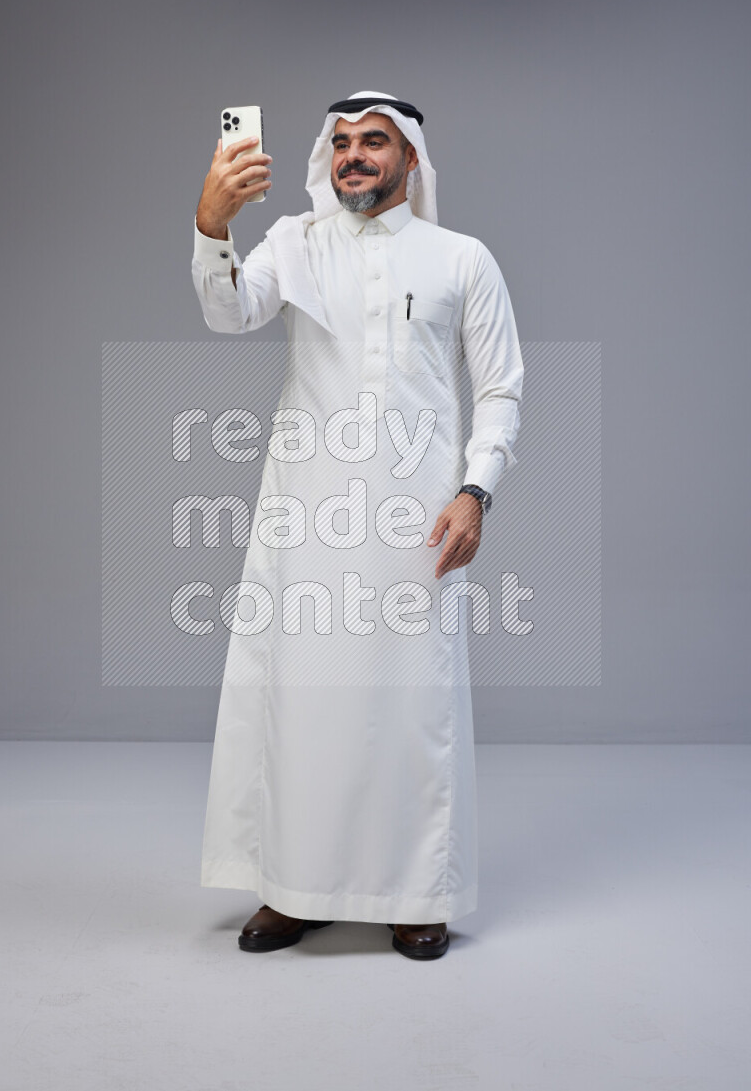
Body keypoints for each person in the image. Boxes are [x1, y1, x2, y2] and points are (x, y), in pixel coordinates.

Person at [191, 91, 523, 960]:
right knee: (304, 708)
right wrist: (211, 224)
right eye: (341, 144)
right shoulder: (295, 245)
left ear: (411, 157)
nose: (354, 157)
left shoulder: (462, 259)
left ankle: (416, 893)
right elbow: (229, 311)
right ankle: (294, 889)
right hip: (309, 519)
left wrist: (475, 491)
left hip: (418, 525)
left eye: (374, 142)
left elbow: (500, 389)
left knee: (411, 710)